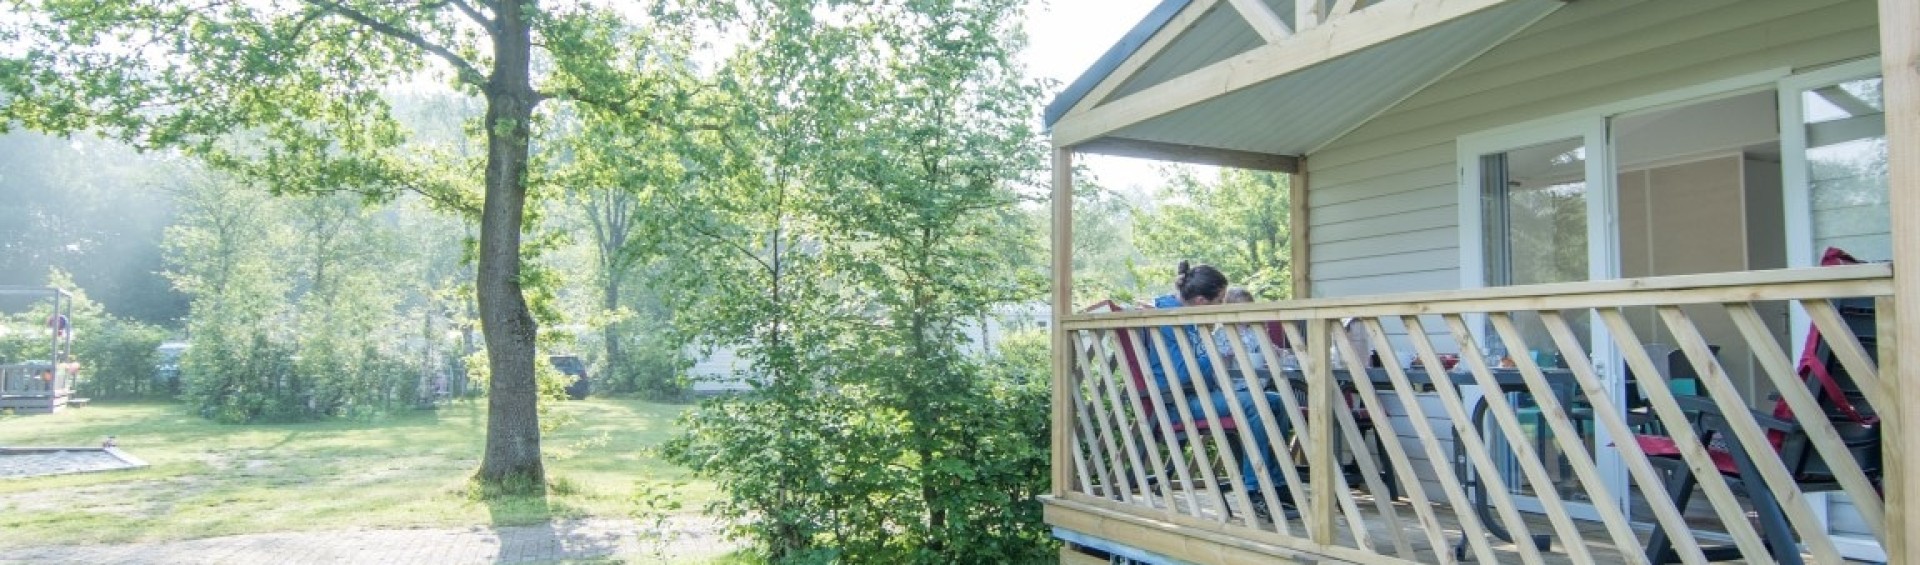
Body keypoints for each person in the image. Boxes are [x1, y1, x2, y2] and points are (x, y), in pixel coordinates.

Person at [1145, 261, 1297, 521]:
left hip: (1203, 394)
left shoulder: (1192, 317)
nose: (1224, 306)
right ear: (1202, 301)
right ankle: (1255, 490)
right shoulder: (1169, 320)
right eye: (1221, 300)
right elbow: (1182, 373)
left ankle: (1276, 482)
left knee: (1278, 402)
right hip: (1177, 402)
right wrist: (1216, 354)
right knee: (1255, 403)